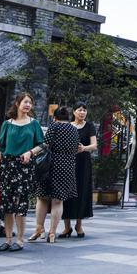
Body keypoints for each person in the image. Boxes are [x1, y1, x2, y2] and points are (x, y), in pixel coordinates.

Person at [0, 92, 45, 252]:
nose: (28, 105)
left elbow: (42, 145)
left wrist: (30, 153)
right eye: (25, 102)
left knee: (20, 204)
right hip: (7, 167)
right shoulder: (7, 124)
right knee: (7, 205)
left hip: (24, 167)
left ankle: (20, 240)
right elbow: (0, 148)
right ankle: (8, 239)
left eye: (30, 103)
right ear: (17, 103)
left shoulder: (34, 123)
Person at [29, 106, 78, 244]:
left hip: (50, 165)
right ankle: (52, 233)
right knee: (58, 200)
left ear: (55, 118)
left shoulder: (54, 126)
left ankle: (39, 229)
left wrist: (32, 152)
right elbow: (76, 148)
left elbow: (45, 145)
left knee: (42, 197)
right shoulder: (74, 129)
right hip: (67, 165)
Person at [62, 102, 97, 238]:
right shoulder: (67, 126)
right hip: (67, 162)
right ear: (74, 112)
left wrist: (84, 148)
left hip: (83, 163)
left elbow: (94, 145)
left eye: (84, 110)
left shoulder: (89, 126)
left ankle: (78, 224)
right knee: (65, 192)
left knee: (81, 192)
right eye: (79, 110)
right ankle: (66, 227)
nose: (82, 112)